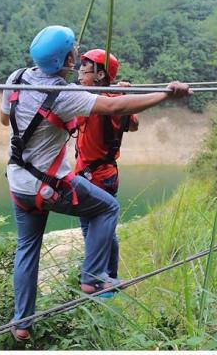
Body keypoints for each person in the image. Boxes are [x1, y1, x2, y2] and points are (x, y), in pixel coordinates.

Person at [0, 25, 191, 342]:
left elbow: (5, 119)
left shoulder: (16, 78)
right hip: (48, 185)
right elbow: (115, 107)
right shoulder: (65, 95)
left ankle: (22, 322)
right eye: (75, 51)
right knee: (107, 208)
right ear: (69, 58)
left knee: (27, 248)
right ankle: (93, 278)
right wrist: (168, 94)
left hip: (18, 183)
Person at [75, 49, 139, 282]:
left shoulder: (94, 103)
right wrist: (123, 96)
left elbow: (132, 125)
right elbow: (133, 125)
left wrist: (122, 97)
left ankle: (98, 277)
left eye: (85, 70)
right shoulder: (112, 101)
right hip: (98, 173)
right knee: (103, 230)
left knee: (92, 230)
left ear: (100, 75)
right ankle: (107, 275)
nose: (79, 75)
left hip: (97, 175)